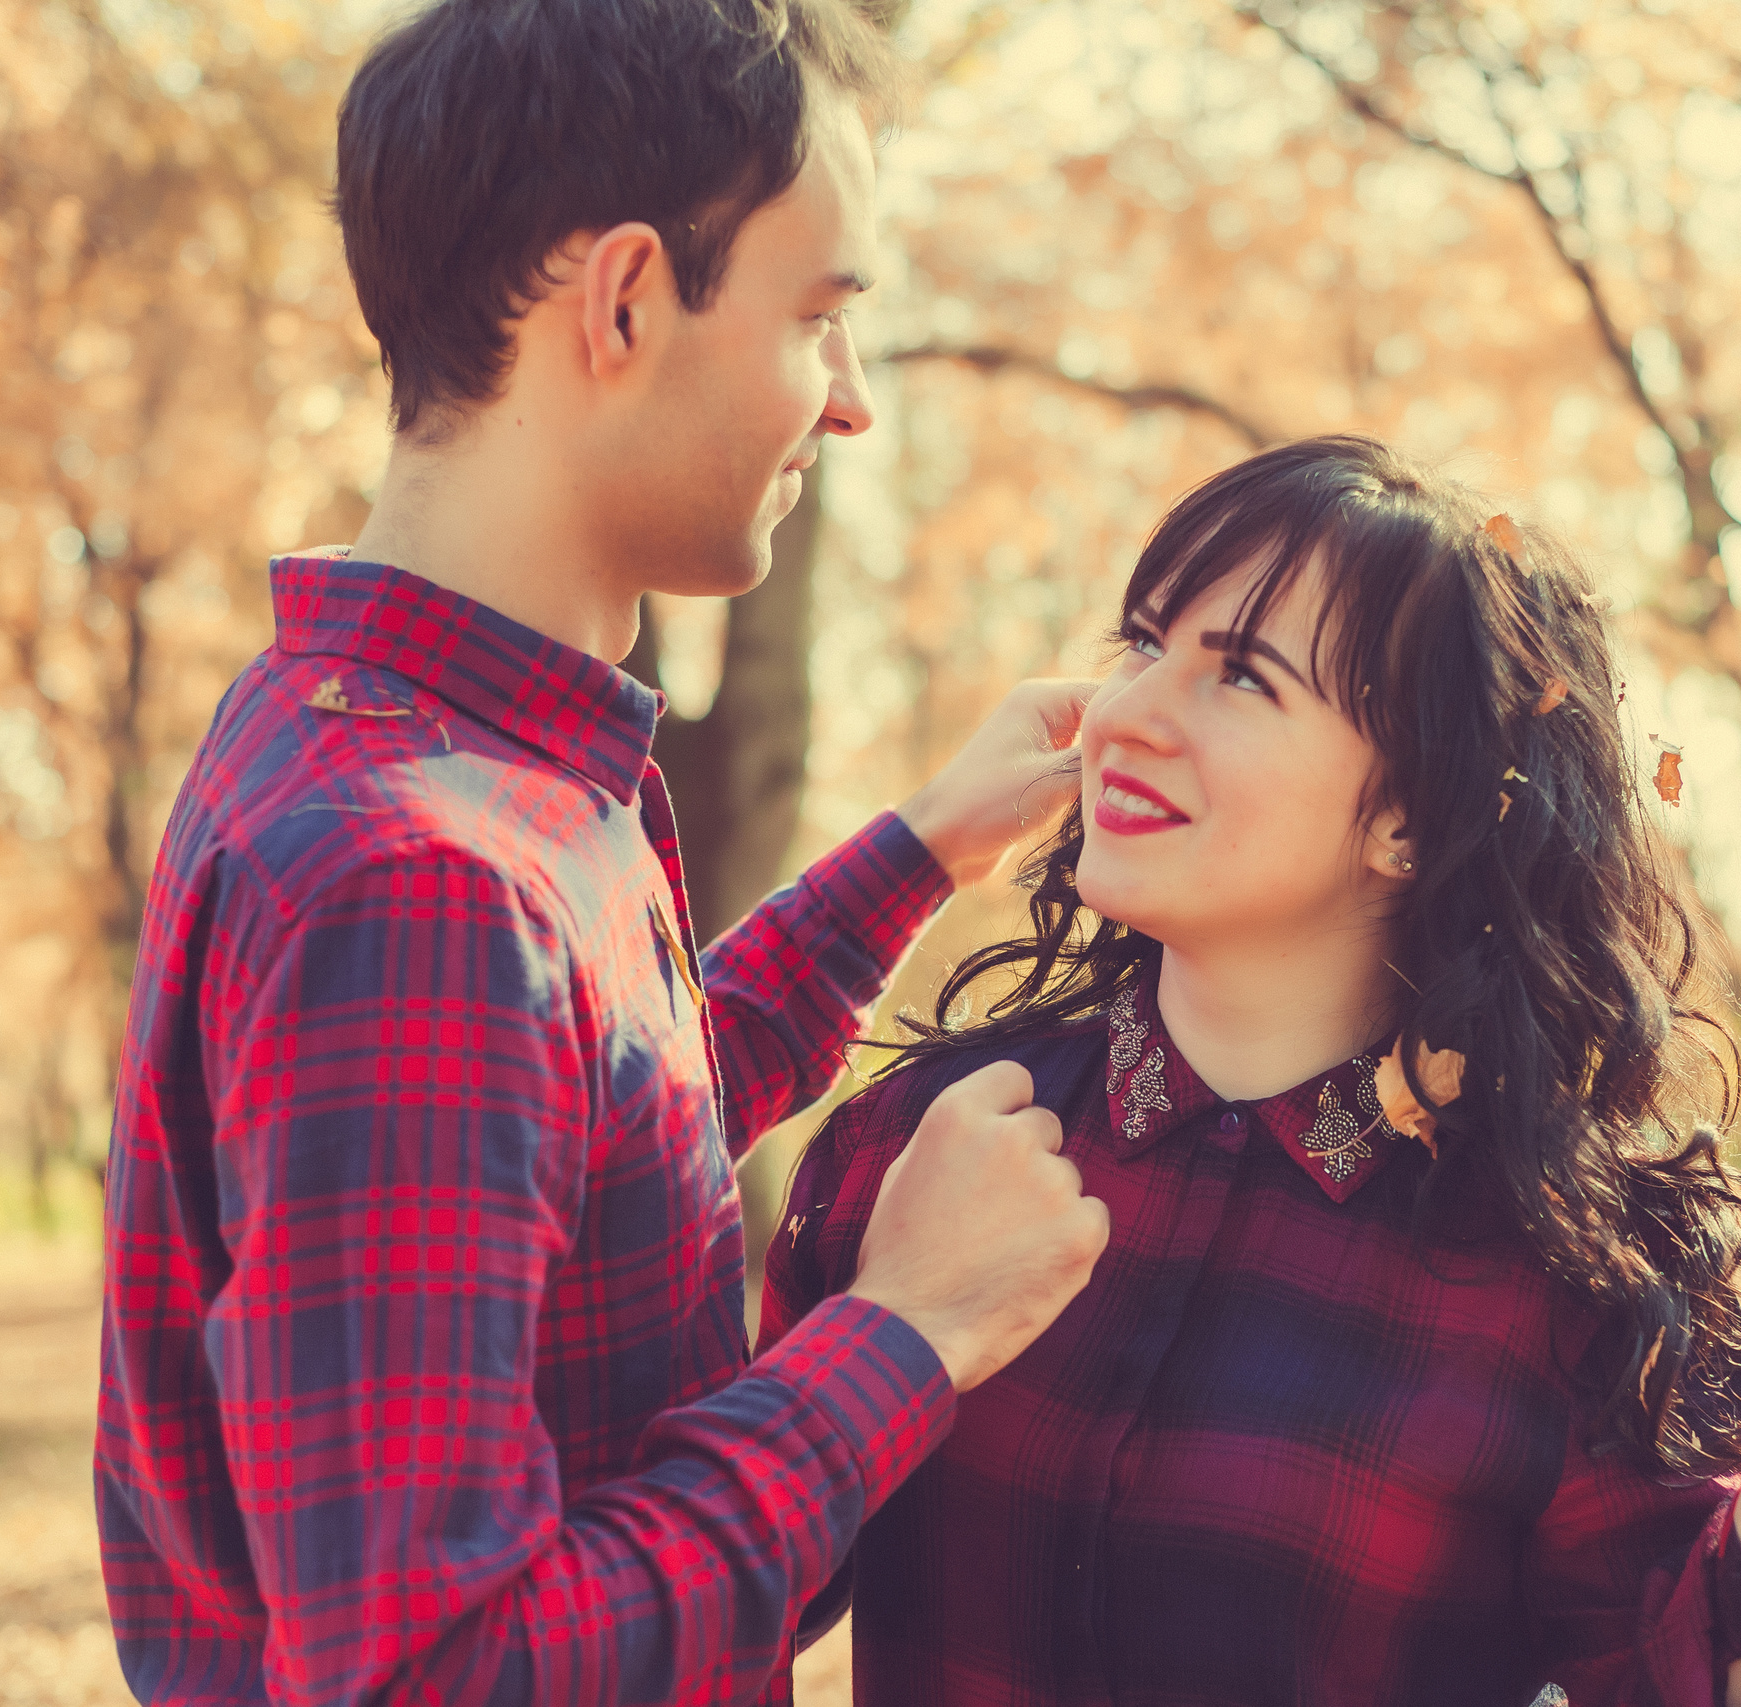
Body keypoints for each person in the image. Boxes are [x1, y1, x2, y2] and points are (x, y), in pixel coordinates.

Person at [92, 2, 1110, 1704]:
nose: (848, 403)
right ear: (625, 299)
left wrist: (926, 846)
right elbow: (434, 1672)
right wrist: (908, 1332)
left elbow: (590, 1137)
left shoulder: (424, 745)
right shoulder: (418, 878)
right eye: (821, 317)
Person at [761, 435, 1741, 1707]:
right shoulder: (933, 1139)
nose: (1126, 715)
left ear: (1407, 815)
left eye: (1241, 676)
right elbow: (710, 1593)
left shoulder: (1568, 1271)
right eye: (1142, 645)